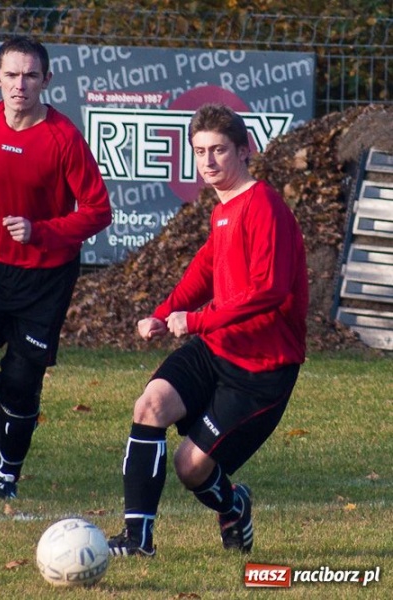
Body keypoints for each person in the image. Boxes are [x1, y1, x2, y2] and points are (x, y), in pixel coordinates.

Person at [106, 103, 308, 556]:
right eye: (199, 152)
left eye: (218, 150)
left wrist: (195, 320)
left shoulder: (263, 206)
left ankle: (234, 505)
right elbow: (205, 269)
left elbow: (268, 291)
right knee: (150, 405)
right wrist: (164, 312)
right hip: (216, 348)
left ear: (243, 151)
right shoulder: (223, 209)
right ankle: (138, 540)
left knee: (191, 467)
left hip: (260, 369)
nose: (208, 161)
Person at [0, 36, 113, 499]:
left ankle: (6, 474)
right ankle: (1, 401)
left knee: (23, 380)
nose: (20, 85)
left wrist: (42, 231)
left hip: (46, 275)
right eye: (12, 75)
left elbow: (98, 211)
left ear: (46, 80)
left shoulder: (63, 138)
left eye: (31, 76)